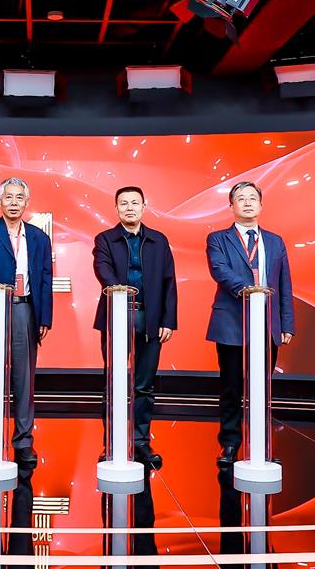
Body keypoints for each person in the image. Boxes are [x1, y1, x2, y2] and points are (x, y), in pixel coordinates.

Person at [205, 180, 295, 467]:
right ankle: (230, 444)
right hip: (231, 323)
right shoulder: (218, 239)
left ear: (261, 205)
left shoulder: (275, 241)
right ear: (231, 205)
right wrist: (250, 290)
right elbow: (219, 270)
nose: (247, 202)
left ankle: (261, 443)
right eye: (241, 198)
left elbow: (284, 283)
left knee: (262, 387)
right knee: (231, 387)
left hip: (267, 323)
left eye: (252, 198)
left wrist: (287, 323)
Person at [91, 185, 177, 468]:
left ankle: (140, 441)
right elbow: (102, 269)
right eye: (124, 203)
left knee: (144, 386)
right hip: (116, 315)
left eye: (134, 203)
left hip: (149, 318)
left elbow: (169, 281)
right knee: (114, 382)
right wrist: (117, 289)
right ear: (116, 208)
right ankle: (112, 443)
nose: (129, 208)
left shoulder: (158, 240)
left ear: (143, 206)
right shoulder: (105, 239)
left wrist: (167, 320)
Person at [0, 177, 53, 464]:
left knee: (24, 380)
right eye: (9, 197)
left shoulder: (39, 237)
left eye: (19, 198)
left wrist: (44, 317)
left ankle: (23, 440)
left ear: (26, 202)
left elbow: (45, 278)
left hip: (25, 310)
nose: (14, 202)